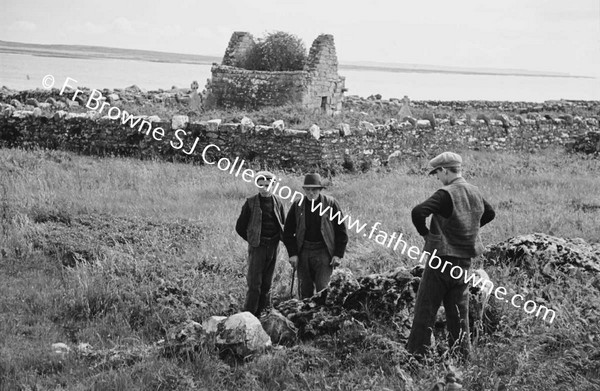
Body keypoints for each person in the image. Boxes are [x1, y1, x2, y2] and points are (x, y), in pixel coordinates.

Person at [406, 152, 495, 359]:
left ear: (445, 170)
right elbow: (490, 213)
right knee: (458, 313)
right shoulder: (475, 192)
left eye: (438, 172)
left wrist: (426, 235)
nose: (438, 177)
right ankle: (462, 357)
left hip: (440, 262)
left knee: (425, 309)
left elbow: (418, 212)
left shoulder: (446, 193)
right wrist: (470, 228)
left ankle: (416, 356)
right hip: (463, 263)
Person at [283, 173, 348, 299]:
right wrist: (293, 254)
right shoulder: (298, 205)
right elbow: (288, 232)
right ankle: (304, 317)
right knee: (304, 290)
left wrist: (338, 254)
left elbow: (341, 231)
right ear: (304, 190)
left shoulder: (331, 204)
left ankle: (322, 317)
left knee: (323, 289)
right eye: (308, 189)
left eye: (314, 189)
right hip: (303, 251)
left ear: (319, 189)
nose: (311, 192)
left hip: (324, 252)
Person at [235, 171, 286, 317]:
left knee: (267, 282)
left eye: (267, 185)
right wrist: (253, 240)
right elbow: (240, 227)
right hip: (258, 247)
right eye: (260, 185)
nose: (264, 188)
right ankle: (250, 314)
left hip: (273, 246)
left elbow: (283, 223)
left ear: (273, 185)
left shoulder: (278, 202)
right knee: (254, 283)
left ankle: (264, 312)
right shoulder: (250, 202)